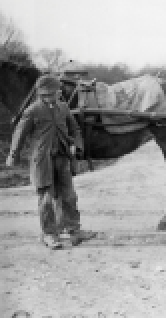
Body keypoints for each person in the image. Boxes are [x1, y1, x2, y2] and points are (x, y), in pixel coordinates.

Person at [5, 74, 96, 249]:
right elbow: (19, 133)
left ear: (59, 92)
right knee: (46, 199)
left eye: (52, 94)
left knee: (69, 196)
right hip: (42, 161)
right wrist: (13, 155)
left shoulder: (64, 108)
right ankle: (49, 235)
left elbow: (75, 128)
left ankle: (74, 230)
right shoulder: (32, 111)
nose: (49, 98)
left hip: (62, 158)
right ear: (40, 94)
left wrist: (77, 146)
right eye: (45, 95)